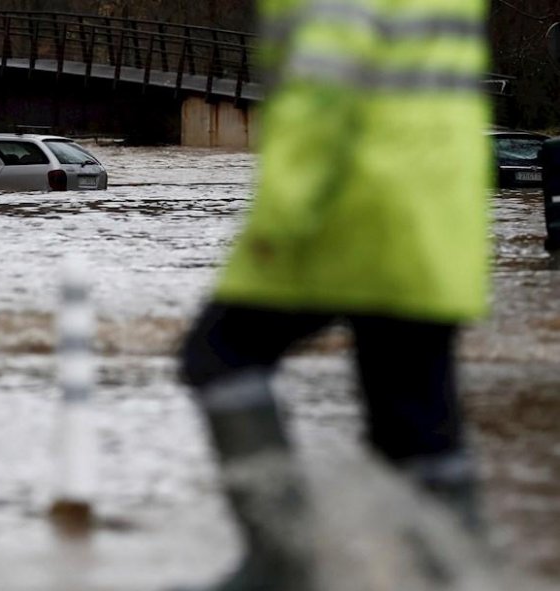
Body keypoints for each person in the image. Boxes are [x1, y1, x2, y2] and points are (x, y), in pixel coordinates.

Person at [177, 0, 491, 589]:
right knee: (412, 421)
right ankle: (462, 576)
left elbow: (324, 92)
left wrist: (280, 221)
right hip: (438, 211)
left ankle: (282, 566)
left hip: (354, 205)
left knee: (218, 353)